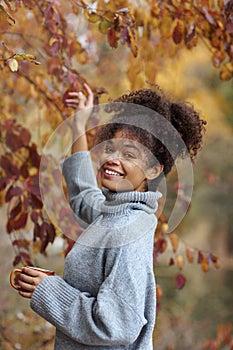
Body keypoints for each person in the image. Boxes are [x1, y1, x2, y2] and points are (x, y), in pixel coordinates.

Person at [17, 83, 206, 349]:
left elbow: (117, 325)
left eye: (128, 154)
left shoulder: (128, 230)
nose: (112, 159)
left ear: (153, 170)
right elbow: (84, 197)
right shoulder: (115, 212)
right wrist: (78, 124)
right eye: (110, 149)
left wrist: (49, 289)